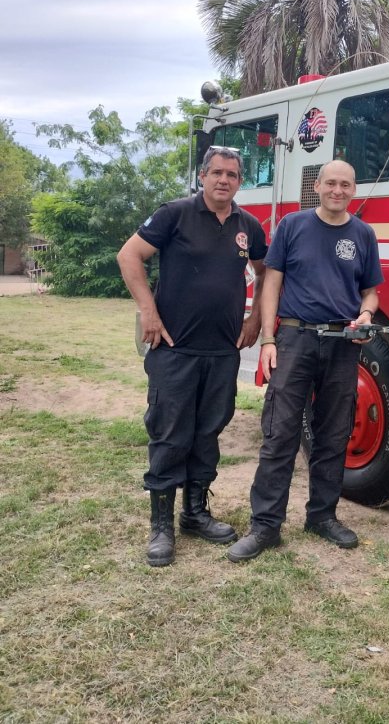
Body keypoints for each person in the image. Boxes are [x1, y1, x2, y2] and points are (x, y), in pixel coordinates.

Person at [117, 147, 266, 567]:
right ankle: (161, 526)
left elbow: (266, 269)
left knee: (207, 433)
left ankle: (195, 514)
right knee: (170, 433)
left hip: (222, 352)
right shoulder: (174, 214)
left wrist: (255, 318)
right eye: (216, 172)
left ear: (240, 182)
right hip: (174, 348)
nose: (224, 180)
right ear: (203, 176)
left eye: (232, 174)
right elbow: (129, 256)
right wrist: (148, 310)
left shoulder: (248, 226)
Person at [227, 159, 383, 562]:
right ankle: (265, 526)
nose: (337, 190)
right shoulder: (293, 227)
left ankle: (322, 516)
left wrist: (366, 315)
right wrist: (268, 339)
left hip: (342, 345)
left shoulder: (363, 234)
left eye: (345, 184)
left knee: (333, 434)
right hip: (294, 338)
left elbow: (371, 292)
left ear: (354, 188)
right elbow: (271, 282)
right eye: (331, 183)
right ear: (318, 185)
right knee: (279, 434)